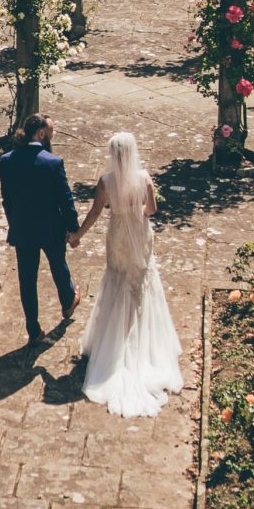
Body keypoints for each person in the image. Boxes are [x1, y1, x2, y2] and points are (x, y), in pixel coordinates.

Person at [75, 131, 183, 417]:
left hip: (118, 235)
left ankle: (111, 341)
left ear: (113, 154)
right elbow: (152, 210)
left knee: (117, 279)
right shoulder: (144, 178)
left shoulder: (105, 181)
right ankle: (144, 342)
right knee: (140, 284)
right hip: (138, 232)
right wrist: (136, 208)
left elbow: (95, 213)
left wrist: (77, 236)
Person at [0, 112, 81, 347]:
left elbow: (7, 200)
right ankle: (67, 302)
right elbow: (65, 200)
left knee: (27, 279)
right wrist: (73, 228)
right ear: (42, 133)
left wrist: (15, 222)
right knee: (58, 265)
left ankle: (33, 329)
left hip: (22, 227)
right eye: (51, 133)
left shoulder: (7, 161)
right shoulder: (53, 163)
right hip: (50, 227)